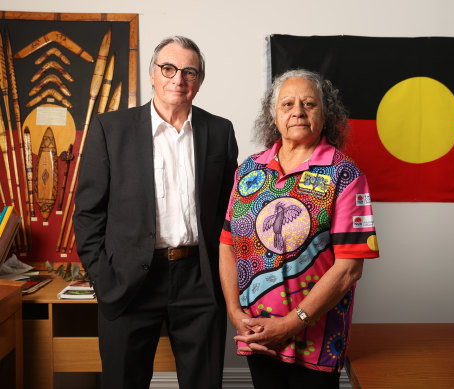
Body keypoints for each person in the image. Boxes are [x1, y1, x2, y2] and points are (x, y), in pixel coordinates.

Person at [73, 36, 238, 389]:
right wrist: (103, 279)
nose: (178, 79)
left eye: (189, 72)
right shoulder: (109, 129)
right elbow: (88, 213)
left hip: (199, 280)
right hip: (129, 281)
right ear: (152, 74)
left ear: (199, 81)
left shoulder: (219, 131)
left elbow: (231, 213)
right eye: (168, 68)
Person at [219, 69, 379, 388]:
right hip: (257, 333)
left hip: (315, 341)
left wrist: (292, 324)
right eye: (287, 104)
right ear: (274, 114)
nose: (298, 112)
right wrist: (235, 312)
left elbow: (349, 268)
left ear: (325, 113)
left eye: (309, 104)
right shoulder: (249, 170)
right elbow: (227, 244)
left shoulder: (345, 174)